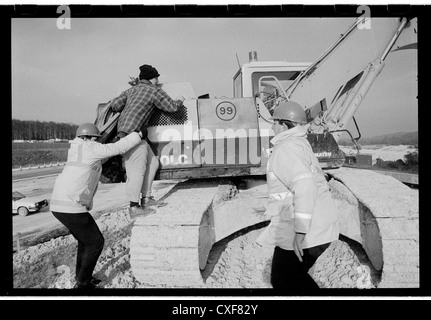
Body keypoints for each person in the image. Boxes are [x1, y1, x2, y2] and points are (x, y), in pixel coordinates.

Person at [256, 100, 339, 291]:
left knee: (283, 279)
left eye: (275, 122)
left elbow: (305, 186)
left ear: (285, 125)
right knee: (289, 278)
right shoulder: (298, 143)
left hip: (307, 231)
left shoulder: (286, 148)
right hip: (315, 224)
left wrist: (301, 233)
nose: (272, 126)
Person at [50, 123, 144, 289]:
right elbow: (118, 147)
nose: (97, 141)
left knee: (84, 241)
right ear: (86, 138)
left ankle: (81, 278)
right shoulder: (89, 148)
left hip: (61, 204)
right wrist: (138, 135)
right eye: (95, 138)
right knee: (96, 242)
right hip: (70, 205)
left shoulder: (77, 149)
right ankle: (83, 284)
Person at [109, 64, 185, 218]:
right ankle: (134, 207)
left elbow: (114, 105)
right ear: (153, 78)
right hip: (132, 135)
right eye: (157, 78)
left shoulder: (131, 90)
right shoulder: (153, 90)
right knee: (136, 171)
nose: (158, 80)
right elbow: (171, 107)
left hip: (126, 133)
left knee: (153, 162)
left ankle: (147, 199)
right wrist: (180, 100)